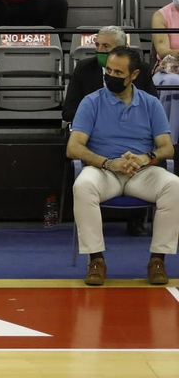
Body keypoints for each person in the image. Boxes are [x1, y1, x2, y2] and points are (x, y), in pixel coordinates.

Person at [69, 45, 178, 286]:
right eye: (109, 70)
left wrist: (145, 157)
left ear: (134, 75)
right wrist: (109, 163)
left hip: (141, 172)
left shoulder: (151, 104)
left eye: (119, 73)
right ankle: (96, 260)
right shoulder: (91, 102)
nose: (111, 77)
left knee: (174, 185)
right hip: (104, 171)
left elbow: (167, 148)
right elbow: (73, 147)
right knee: (83, 185)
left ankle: (157, 260)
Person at [66, 25, 156, 122]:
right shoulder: (84, 68)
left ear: (121, 49)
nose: (99, 50)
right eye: (97, 45)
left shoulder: (141, 69)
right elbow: (68, 112)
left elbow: (153, 109)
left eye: (105, 46)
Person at [152, 0, 179, 140]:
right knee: (173, 82)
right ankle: (171, 143)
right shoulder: (161, 15)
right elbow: (163, 52)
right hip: (167, 71)